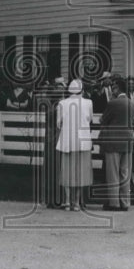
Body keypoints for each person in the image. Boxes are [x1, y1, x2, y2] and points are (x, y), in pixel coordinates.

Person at [97, 78, 134, 212]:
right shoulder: (131, 103)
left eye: (114, 87)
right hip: (127, 140)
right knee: (125, 173)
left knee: (113, 173)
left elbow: (104, 119)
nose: (112, 90)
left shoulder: (113, 103)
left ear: (118, 88)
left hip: (113, 141)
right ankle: (125, 202)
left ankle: (114, 203)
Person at [55, 79, 93, 211]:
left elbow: (58, 123)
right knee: (80, 172)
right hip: (82, 141)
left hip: (67, 141)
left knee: (66, 171)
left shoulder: (61, 103)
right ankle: (76, 202)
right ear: (82, 90)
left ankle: (66, 201)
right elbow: (90, 119)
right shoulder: (88, 102)